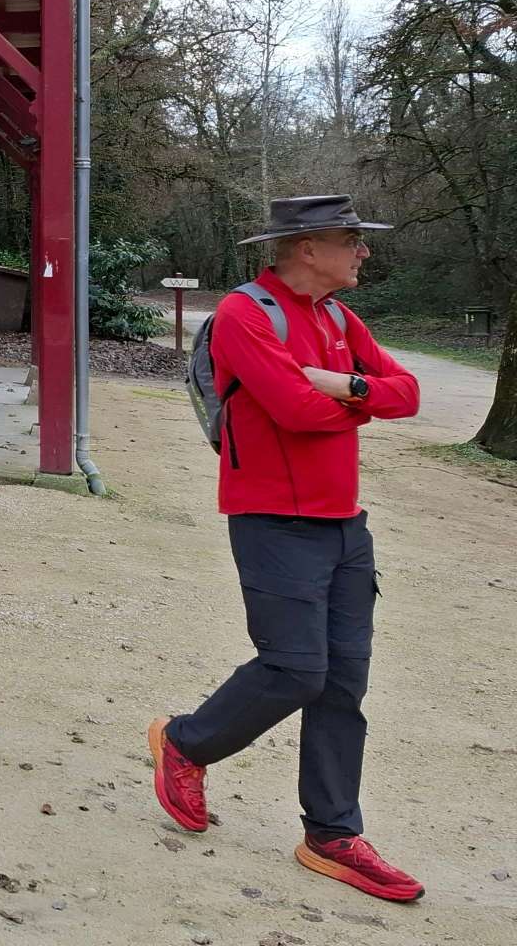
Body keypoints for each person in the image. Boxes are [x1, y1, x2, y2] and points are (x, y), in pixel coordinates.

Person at [148, 196, 425, 903]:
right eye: (351, 240)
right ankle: (185, 742)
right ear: (307, 247)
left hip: (346, 526)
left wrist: (347, 385)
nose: (363, 251)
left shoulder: (339, 319)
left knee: (343, 685)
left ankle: (332, 834)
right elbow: (297, 413)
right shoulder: (245, 315)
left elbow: (408, 394)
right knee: (296, 669)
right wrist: (358, 400)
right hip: (273, 522)